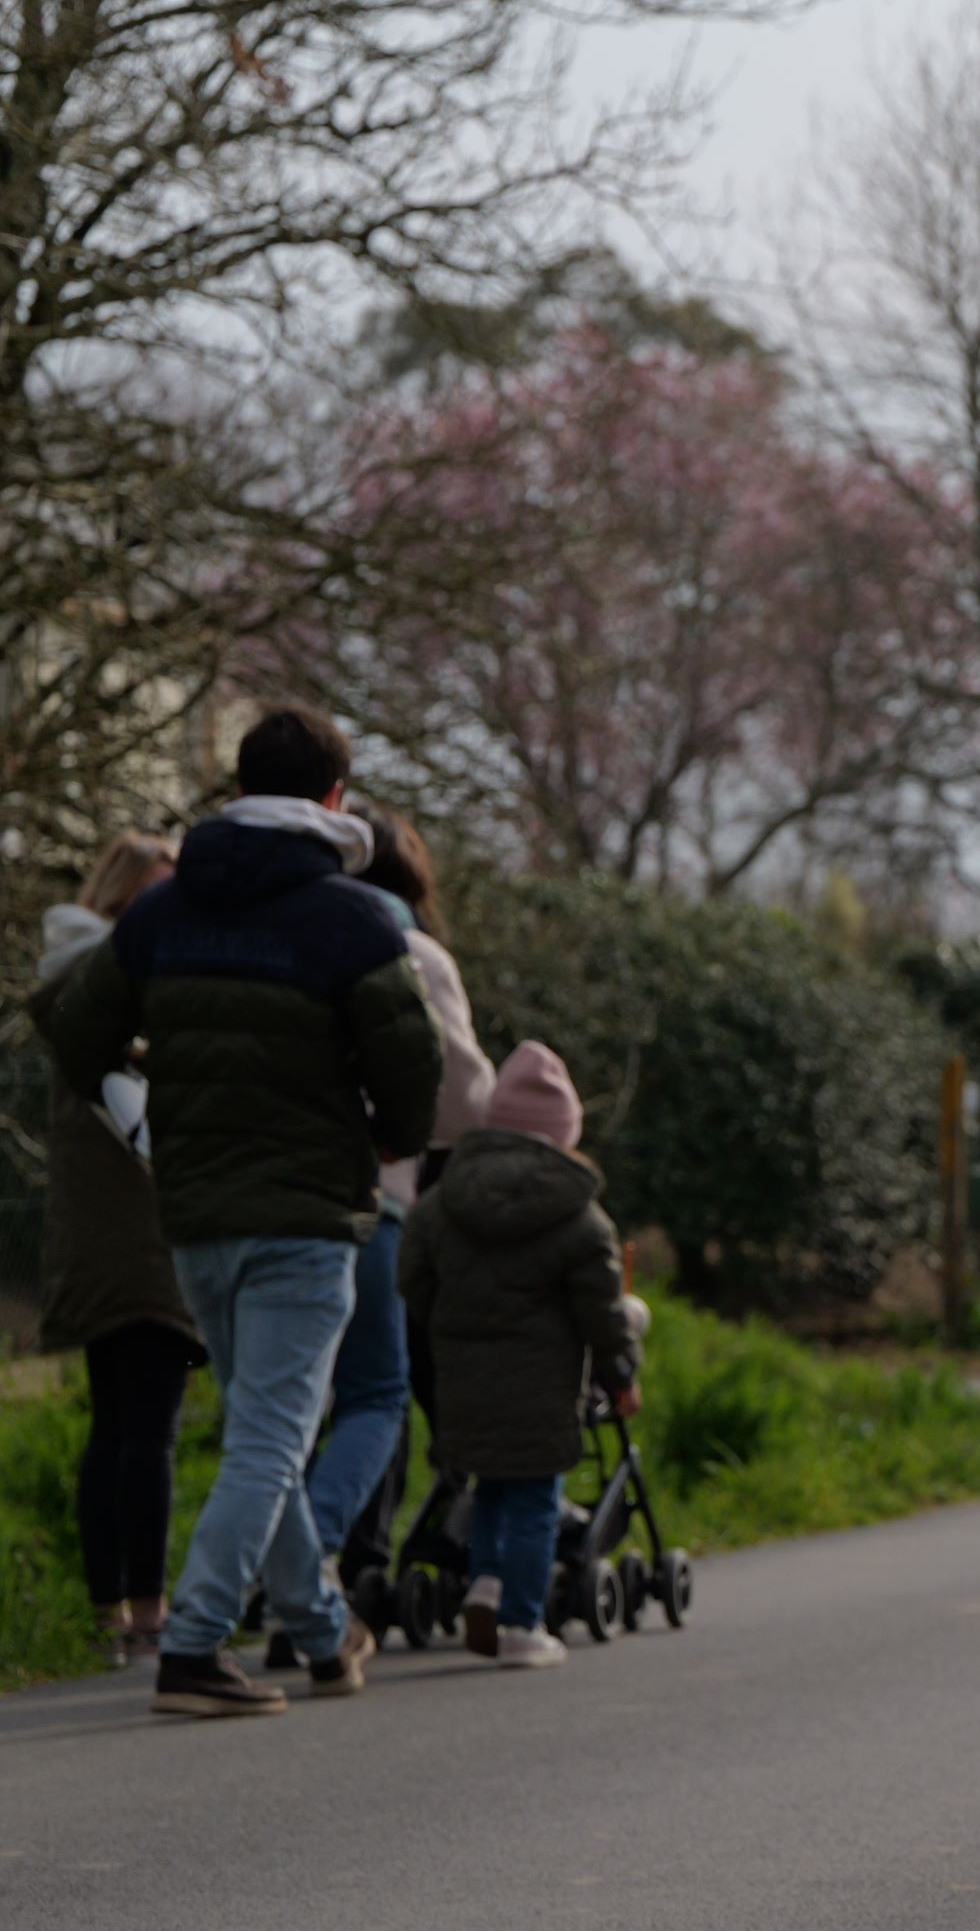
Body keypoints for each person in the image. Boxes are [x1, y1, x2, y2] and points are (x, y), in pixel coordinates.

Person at [46, 704, 445, 1718]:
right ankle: (193, 1646)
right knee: (271, 1439)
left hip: (195, 1217)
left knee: (261, 1429)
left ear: (236, 788)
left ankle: (320, 1631)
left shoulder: (160, 916)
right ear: (334, 797)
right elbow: (414, 1068)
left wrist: (142, 1116)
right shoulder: (353, 920)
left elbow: (76, 1033)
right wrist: (388, 1139)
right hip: (305, 1215)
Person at [400, 1042, 643, 1670]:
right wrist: (621, 1374)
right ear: (563, 1134)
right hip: (542, 1385)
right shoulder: (581, 1220)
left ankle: (485, 1582)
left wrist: (449, 1327)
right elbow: (602, 1314)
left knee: (488, 1487)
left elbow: (413, 1284)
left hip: (462, 1379)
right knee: (535, 1501)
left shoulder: (439, 1205)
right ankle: (521, 1625)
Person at [304, 806, 494, 1608]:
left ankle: (315, 1558)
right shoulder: (413, 951)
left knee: (308, 1398)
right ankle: (343, 1557)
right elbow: (466, 1100)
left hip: (272, 1195)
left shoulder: (291, 934)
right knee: (386, 1388)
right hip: (388, 1199)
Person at [29, 831, 201, 1671]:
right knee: (146, 1430)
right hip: (145, 1235)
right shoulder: (120, 988)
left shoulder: (71, 988)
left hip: (101, 1241)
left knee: (119, 1425)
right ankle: (147, 1611)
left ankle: (113, 1612)